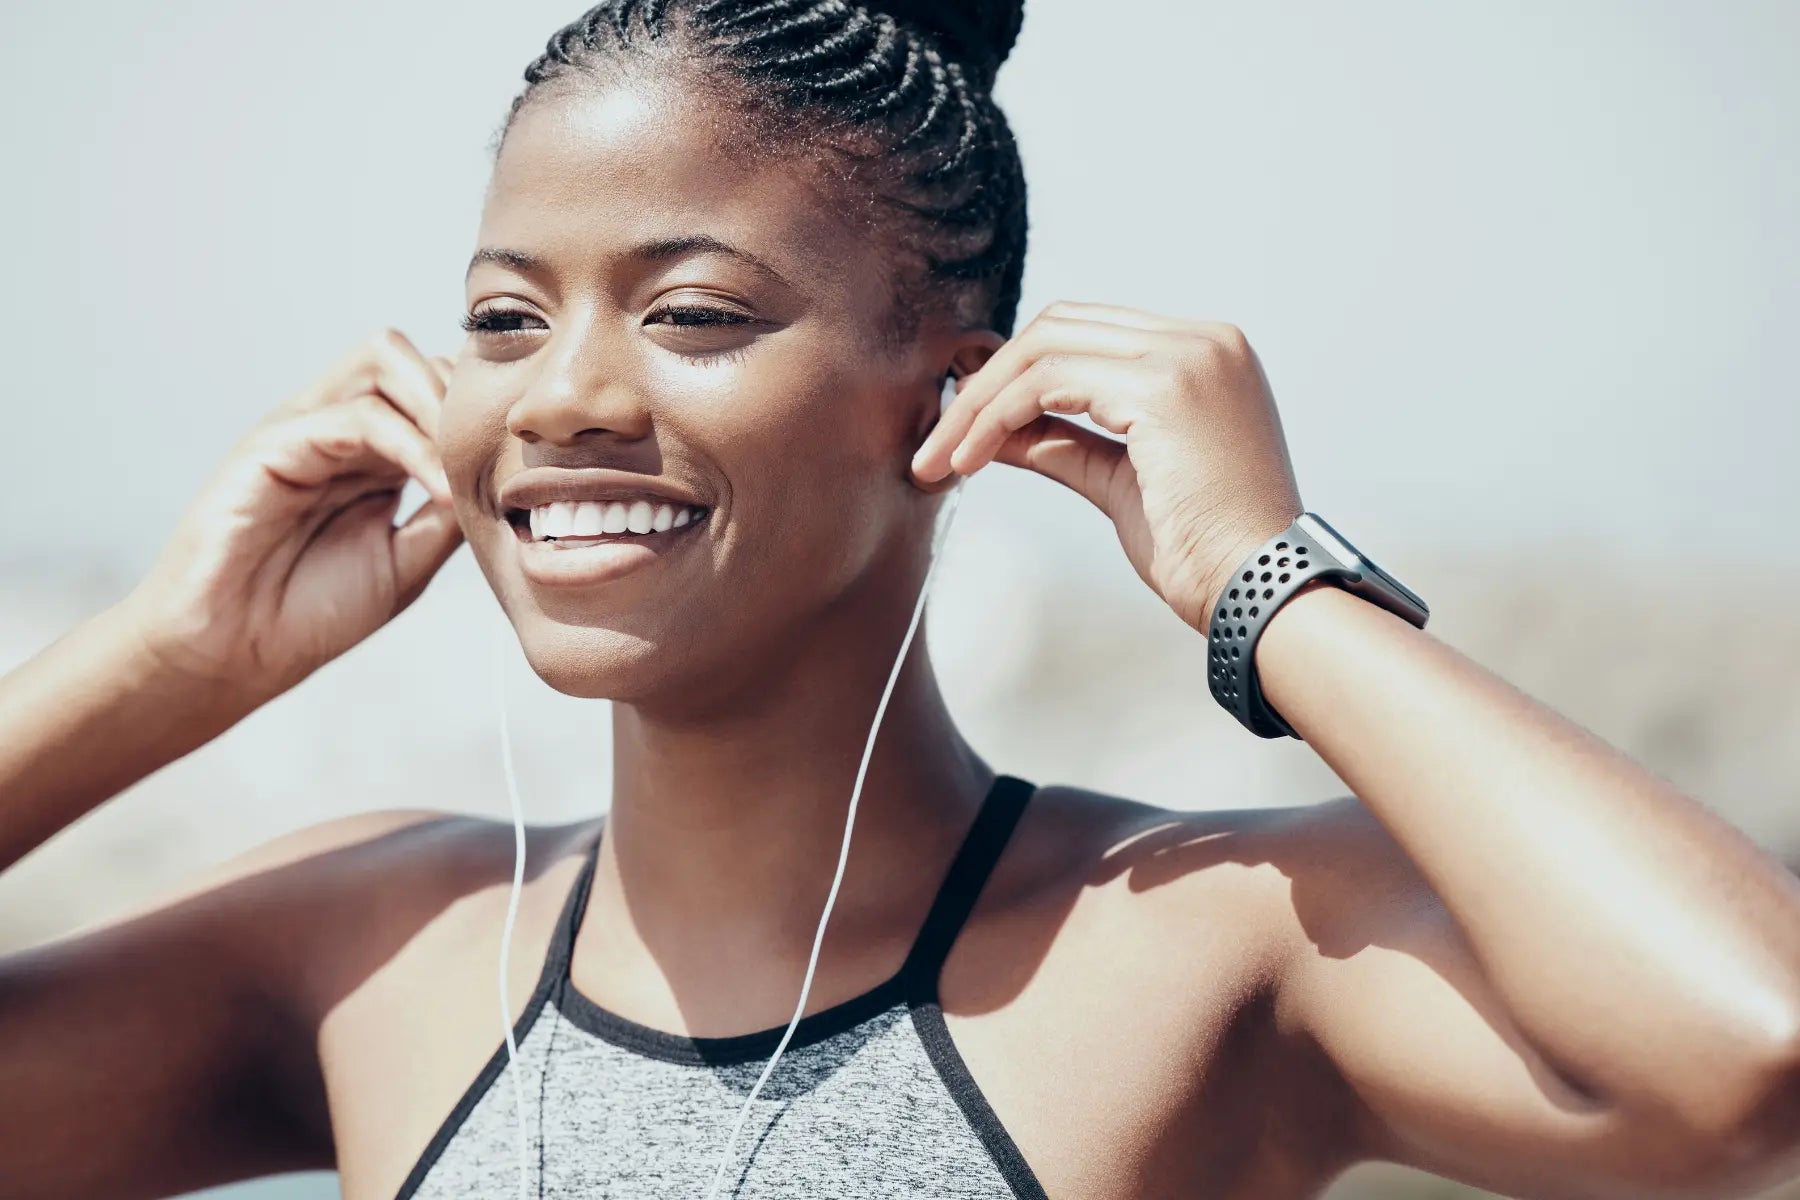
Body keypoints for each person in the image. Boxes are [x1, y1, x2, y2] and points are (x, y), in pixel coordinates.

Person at [4, 2, 1800, 1197]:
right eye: (502, 316)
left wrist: (1265, 578)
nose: (560, 395)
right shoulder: (366, 951)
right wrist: (165, 663)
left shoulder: (1202, 942)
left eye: (694, 310)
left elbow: (1747, 1053)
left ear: (956, 394)